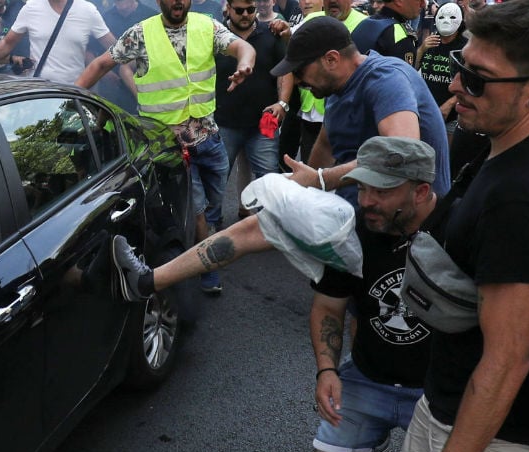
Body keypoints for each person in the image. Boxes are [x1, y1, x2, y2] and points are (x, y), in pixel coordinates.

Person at [394, 1, 529, 452]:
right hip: (452, 403)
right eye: (463, 64)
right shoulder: (503, 144)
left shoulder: (523, 194)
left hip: (489, 439)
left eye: (479, 78)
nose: (459, 84)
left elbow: (509, 355)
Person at [294, 136, 439, 452]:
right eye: (362, 187)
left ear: (421, 191)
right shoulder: (355, 231)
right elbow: (327, 307)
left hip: (435, 390)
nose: (367, 201)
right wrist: (326, 370)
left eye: (382, 190)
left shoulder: (458, 231)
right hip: (368, 376)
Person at [74, 0, 256, 295]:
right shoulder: (140, 33)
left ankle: (201, 237)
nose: (177, 2)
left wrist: (245, 63)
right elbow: (100, 64)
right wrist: (72, 99)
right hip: (166, 145)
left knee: (214, 203)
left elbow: (241, 47)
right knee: (196, 209)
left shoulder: (206, 26)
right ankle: (204, 270)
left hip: (208, 139)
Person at [274, 16, 450, 207]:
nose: (297, 81)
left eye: (299, 71)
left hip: (405, 221)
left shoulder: (386, 79)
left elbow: (402, 153)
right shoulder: (336, 90)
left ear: (331, 59)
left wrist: (321, 180)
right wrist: (301, 192)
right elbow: (326, 146)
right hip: (361, 209)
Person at [216, 0, 290, 220]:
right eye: (239, 10)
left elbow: (285, 70)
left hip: (263, 123)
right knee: (217, 177)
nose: (246, 15)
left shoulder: (271, 34)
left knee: (268, 176)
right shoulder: (216, 37)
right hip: (224, 122)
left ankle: (269, 225)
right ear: (228, 8)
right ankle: (207, 228)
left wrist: (282, 103)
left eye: (250, 10)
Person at [276, 0, 366, 174]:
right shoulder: (312, 19)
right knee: (311, 166)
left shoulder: (364, 24)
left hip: (345, 114)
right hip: (310, 112)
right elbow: (290, 58)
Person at [0, 0, 117, 85]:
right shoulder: (31, 8)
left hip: (75, 94)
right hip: (40, 93)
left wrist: (99, 70)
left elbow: (115, 47)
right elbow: (7, 43)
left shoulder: (87, 10)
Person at [96, 0, 157, 111]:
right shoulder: (104, 18)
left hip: (147, 89)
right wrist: (105, 74)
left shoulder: (151, 17)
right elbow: (90, 51)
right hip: (113, 92)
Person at [415, 2, 463, 144]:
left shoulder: (464, 48)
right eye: (441, 17)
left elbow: (468, 82)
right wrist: (421, 50)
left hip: (451, 116)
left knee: (444, 156)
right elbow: (412, 69)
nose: (446, 21)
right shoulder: (430, 43)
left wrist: (449, 105)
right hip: (424, 112)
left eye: (452, 17)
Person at [350, 0, 420, 66]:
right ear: (399, 1)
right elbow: (404, 75)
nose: (423, 4)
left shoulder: (365, 22)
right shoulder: (398, 32)